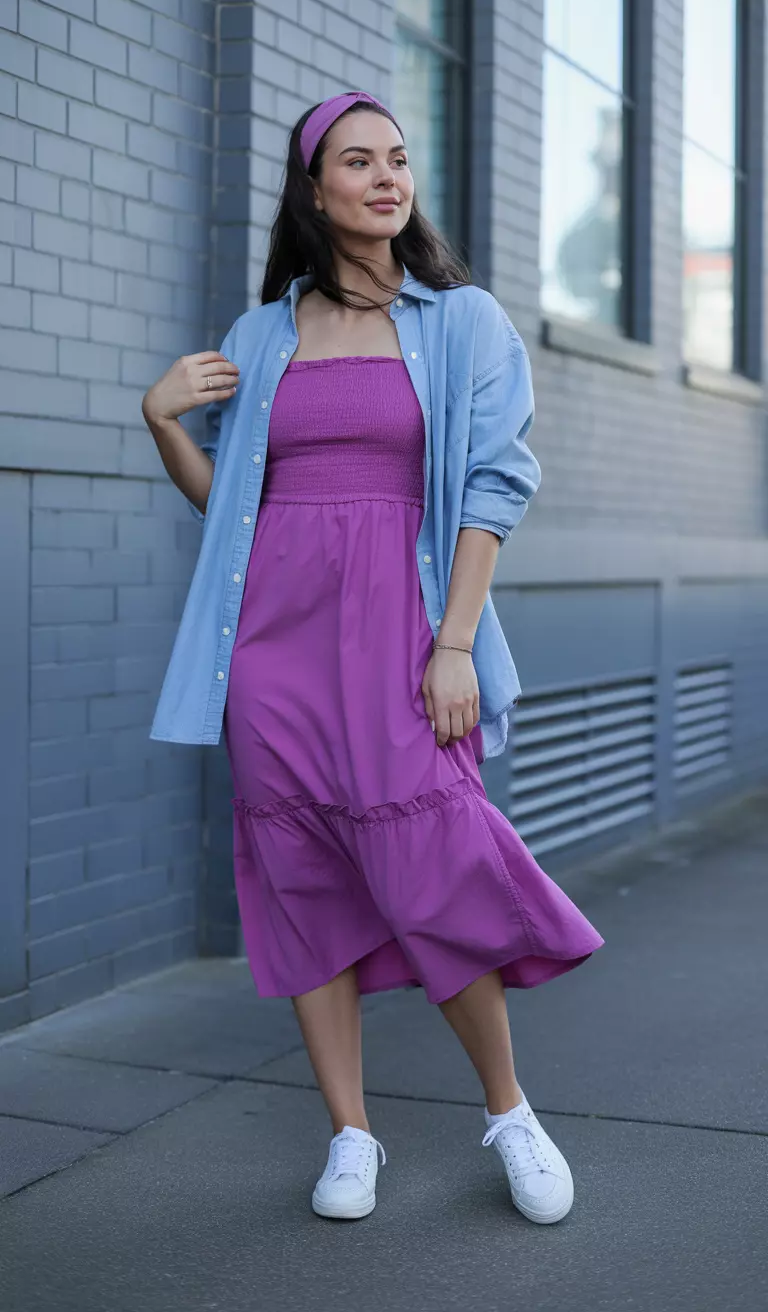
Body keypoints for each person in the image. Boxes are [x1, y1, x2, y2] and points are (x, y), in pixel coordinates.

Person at [142, 90, 605, 1226]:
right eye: (360, 162)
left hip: (405, 640)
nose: (388, 178)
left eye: (399, 159)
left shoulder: (462, 322)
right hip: (274, 653)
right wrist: (163, 426)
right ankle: (351, 1134)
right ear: (314, 192)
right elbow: (237, 513)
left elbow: (497, 488)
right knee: (300, 883)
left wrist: (455, 643)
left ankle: (509, 1111)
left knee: (434, 865)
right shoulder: (261, 337)